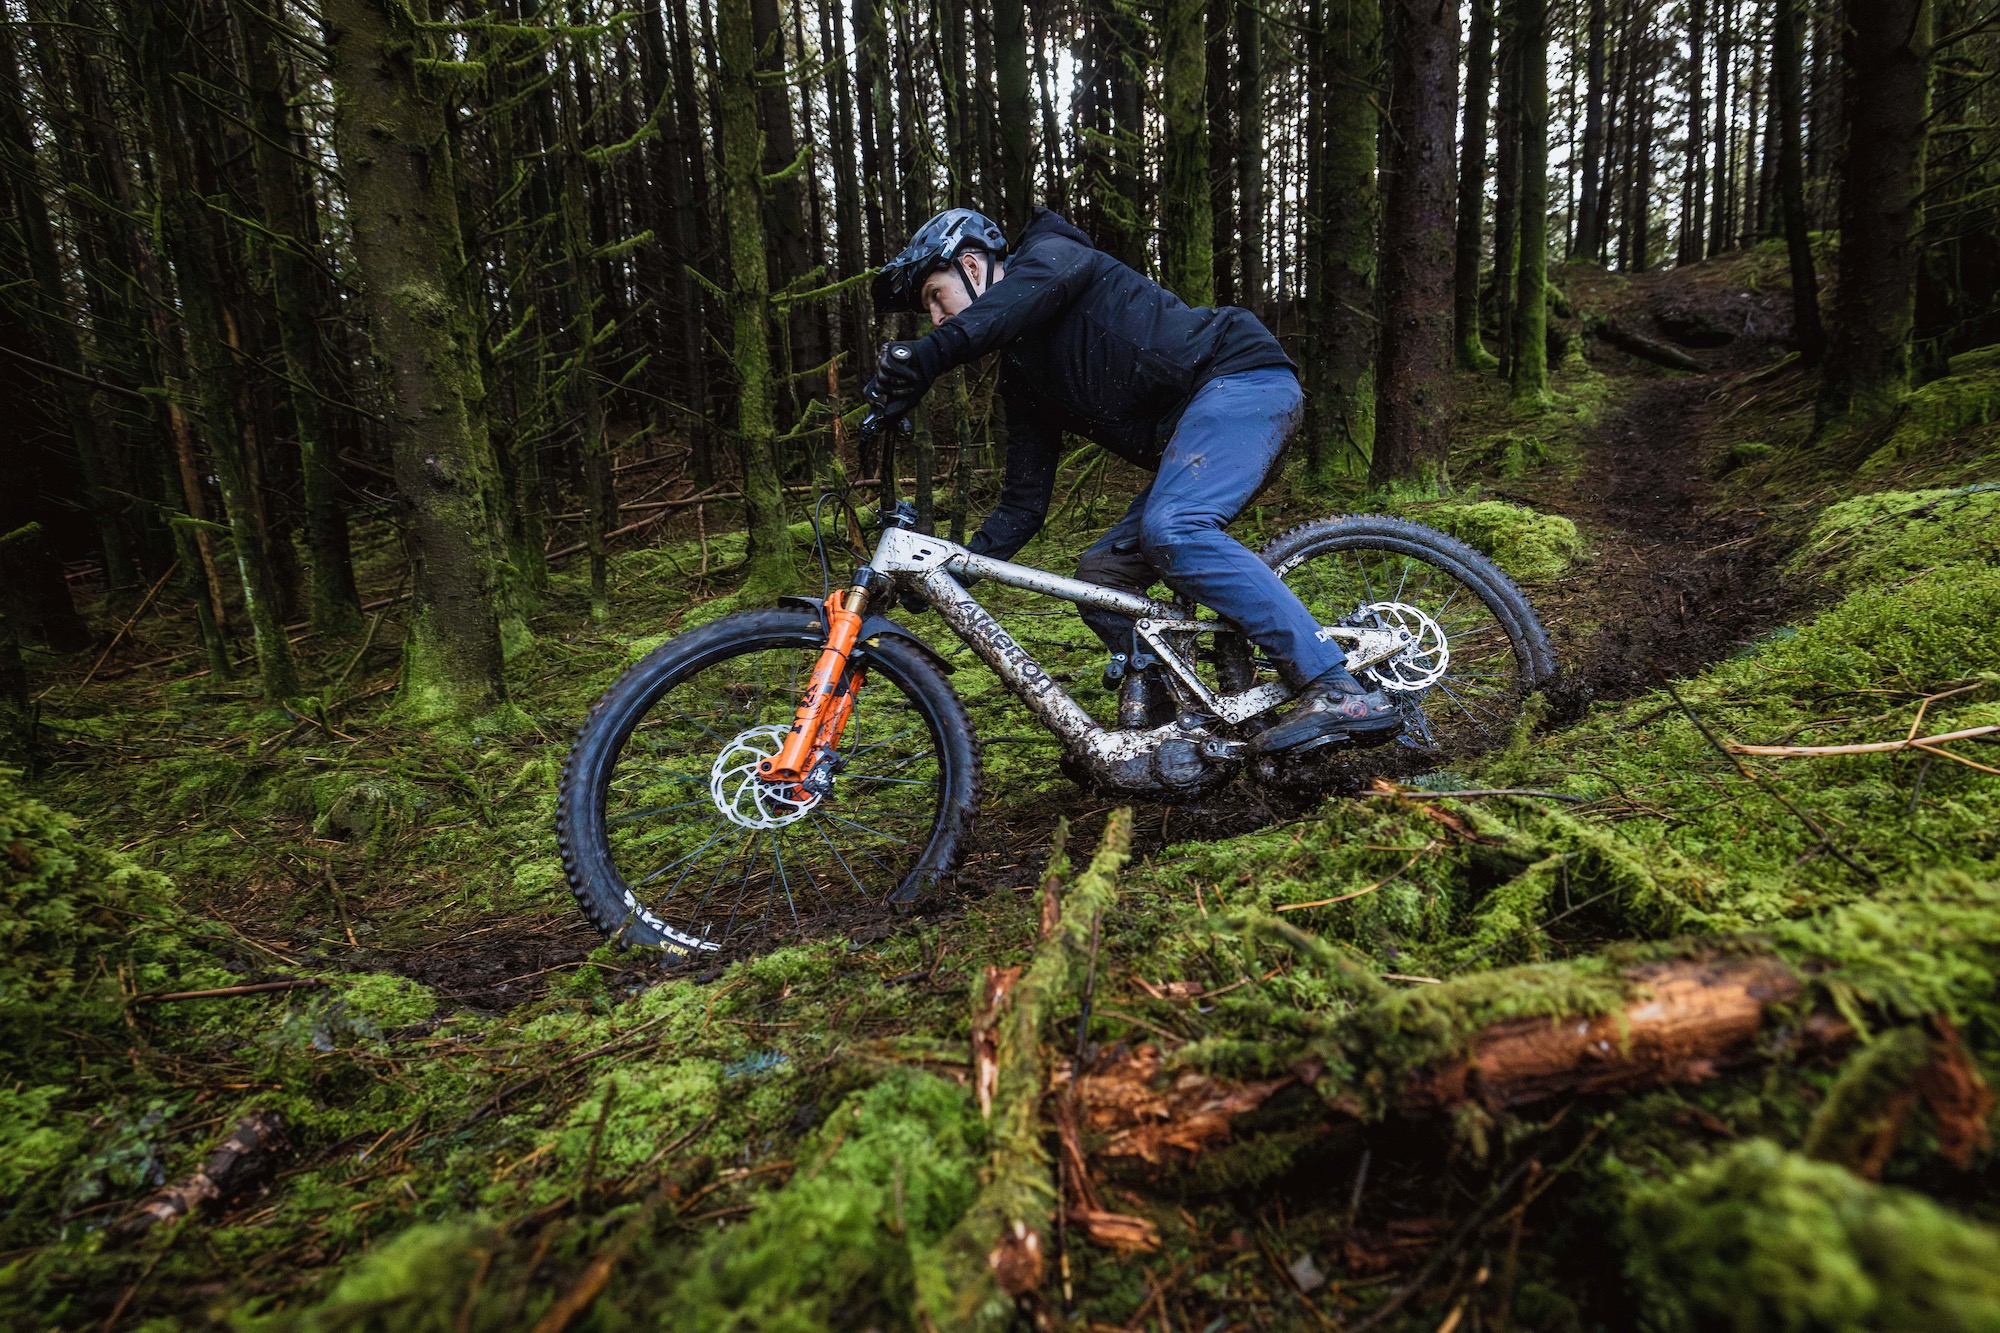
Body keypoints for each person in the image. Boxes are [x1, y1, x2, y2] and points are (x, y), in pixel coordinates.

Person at [864, 206, 1398, 755]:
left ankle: (1335, 688)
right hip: (1197, 433)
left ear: (972, 266)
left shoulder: (1053, 256)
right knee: (1103, 580)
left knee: (1176, 529)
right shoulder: (1024, 381)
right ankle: (1185, 737)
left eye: (935, 295)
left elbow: (1003, 311)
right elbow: (1023, 505)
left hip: (1241, 382)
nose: (934, 317)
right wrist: (953, 567)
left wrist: (921, 359)